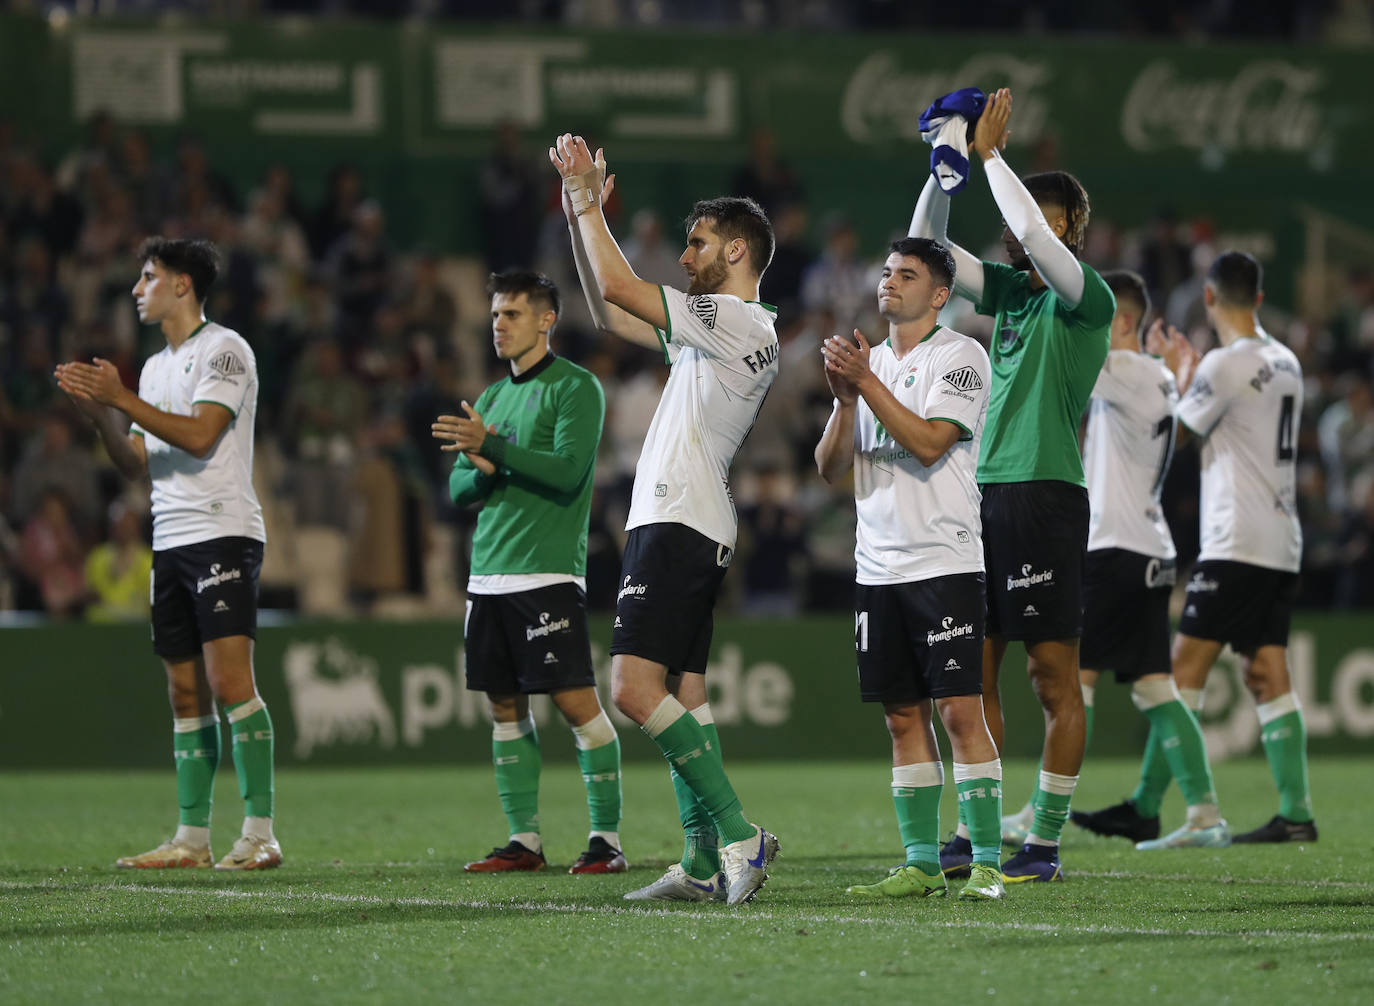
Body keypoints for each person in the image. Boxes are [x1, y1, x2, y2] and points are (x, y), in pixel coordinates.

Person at [551, 133, 780, 904]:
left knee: (633, 689)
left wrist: (588, 203)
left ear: (738, 249)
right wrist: (578, 214)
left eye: (698, 242)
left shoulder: (734, 321)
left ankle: (739, 836)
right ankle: (703, 860)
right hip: (689, 517)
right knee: (683, 693)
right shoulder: (726, 331)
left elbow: (618, 285)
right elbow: (605, 308)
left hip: (678, 518)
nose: (685, 256)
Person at [910, 88, 1113, 882]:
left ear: (1073, 233)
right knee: (975, 669)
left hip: (1047, 496)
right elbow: (923, 249)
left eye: (1057, 221)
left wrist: (992, 155)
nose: (1040, 227)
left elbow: (1030, 228)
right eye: (1039, 216)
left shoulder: (1084, 301)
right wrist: (947, 169)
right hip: (983, 494)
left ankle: (1046, 843)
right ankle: (979, 831)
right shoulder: (1008, 293)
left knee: (1051, 676)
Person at [55, 237, 280, 870]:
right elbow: (134, 464)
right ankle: (191, 840)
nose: (136, 289)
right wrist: (102, 413)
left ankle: (261, 832)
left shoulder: (225, 350)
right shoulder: (153, 369)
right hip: (171, 537)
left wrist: (123, 398)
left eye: (149, 277)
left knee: (229, 683)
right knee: (184, 695)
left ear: (183, 285)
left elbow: (204, 435)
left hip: (222, 531)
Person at [1002, 271, 1228, 849]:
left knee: (1072, 683)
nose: (1088, 330)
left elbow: (1056, 354)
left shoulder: (1123, 370)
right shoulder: (1154, 377)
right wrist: (1178, 367)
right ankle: (1204, 812)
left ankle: (1040, 813)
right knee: (1155, 689)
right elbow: (1172, 419)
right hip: (1150, 550)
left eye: (1099, 322)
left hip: (1113, 550)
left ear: (1120, 323)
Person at [814, 237, 1004, 901]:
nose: (890, 281)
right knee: (901, 716)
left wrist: (865, 384)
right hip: (878, 569)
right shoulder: (870, 365)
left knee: (958, 711)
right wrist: (844, 402)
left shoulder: (959, 357)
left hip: (945, 562)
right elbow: (831, 468)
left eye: (908, 274)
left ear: (940, 294)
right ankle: (922, 864)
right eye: (887, 271)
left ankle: (985, 864)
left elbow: (927, 445)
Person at [1119, 251, 1316, 844]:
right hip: (1283, 540)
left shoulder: (1224, 366)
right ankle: (1296, 814)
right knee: (1266, 672)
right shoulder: (1287, 361)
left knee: (1178, 675)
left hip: (1237, 542)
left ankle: (1148, 803)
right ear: (1257, 298)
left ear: (1209, 299)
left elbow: (1174, 436)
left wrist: (1176, 370)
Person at [431, 269, 624, 874]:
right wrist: (481, 464)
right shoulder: (489, 399)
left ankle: (607, 842)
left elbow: (569, 472)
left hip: (545, 574)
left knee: (576, 705)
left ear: (547, 320)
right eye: (494, 316)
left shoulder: (576, 388)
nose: (499, 326)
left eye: (512, 314)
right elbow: (458, 489)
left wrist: (494, 452)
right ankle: (525, 841)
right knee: (504, 707)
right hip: (487, 575)